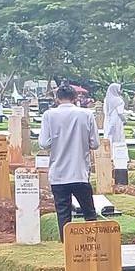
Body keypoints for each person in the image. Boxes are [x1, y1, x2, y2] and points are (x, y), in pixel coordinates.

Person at [39, 85, 99, 240]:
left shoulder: (49, 115)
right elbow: (95, 143)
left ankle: (66, 248)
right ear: (75, 98)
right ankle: (93, 247)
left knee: (63, 215)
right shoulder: (86, 114)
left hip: (59, 173)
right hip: (79, 172)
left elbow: (44, 143)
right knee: (89, 214)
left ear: (57, 98)